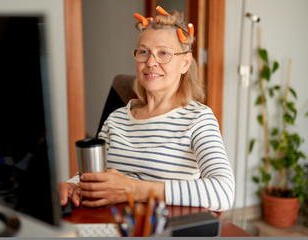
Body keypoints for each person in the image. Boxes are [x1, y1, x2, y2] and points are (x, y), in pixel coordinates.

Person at [58, 7, 234, 212]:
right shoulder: (116, 119)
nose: (151, 63)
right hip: (109, 223)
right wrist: (72, 185)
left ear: (185, 62)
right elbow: (95, 176)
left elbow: (224, 191)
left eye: (163, 53)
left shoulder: (198, 119)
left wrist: (134, 189)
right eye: (144, 52)